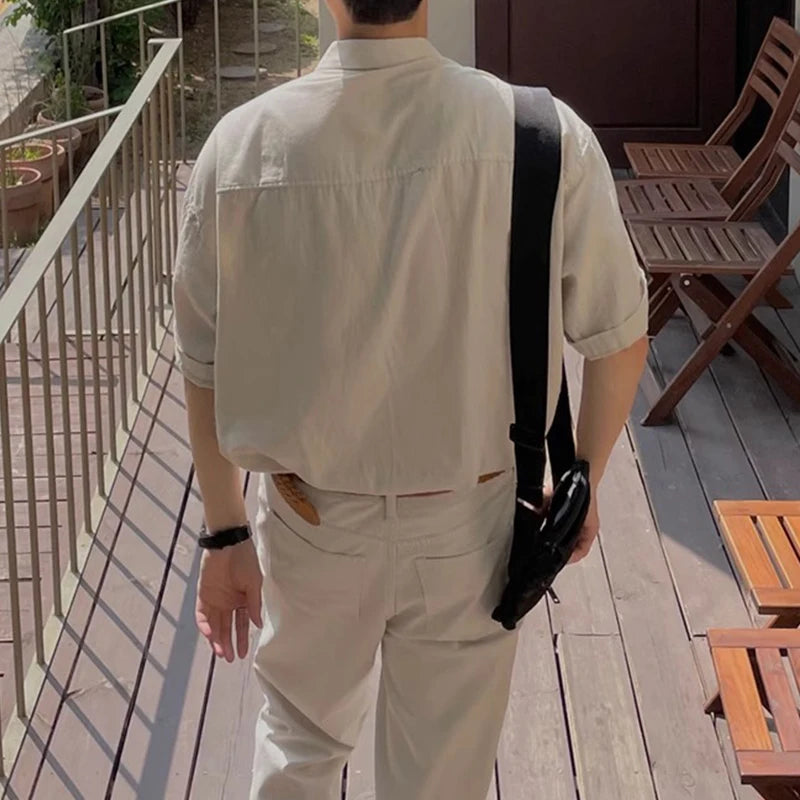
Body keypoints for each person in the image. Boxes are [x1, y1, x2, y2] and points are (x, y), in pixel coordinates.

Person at [172, 0, 649, 797]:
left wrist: (224, 533)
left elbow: (203, 363)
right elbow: (621, 339)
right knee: (437, 780)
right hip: (472, 523)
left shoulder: (242, 148)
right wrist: (584, 479)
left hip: (310, 517)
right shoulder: (540, 135)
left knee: (297, 744)